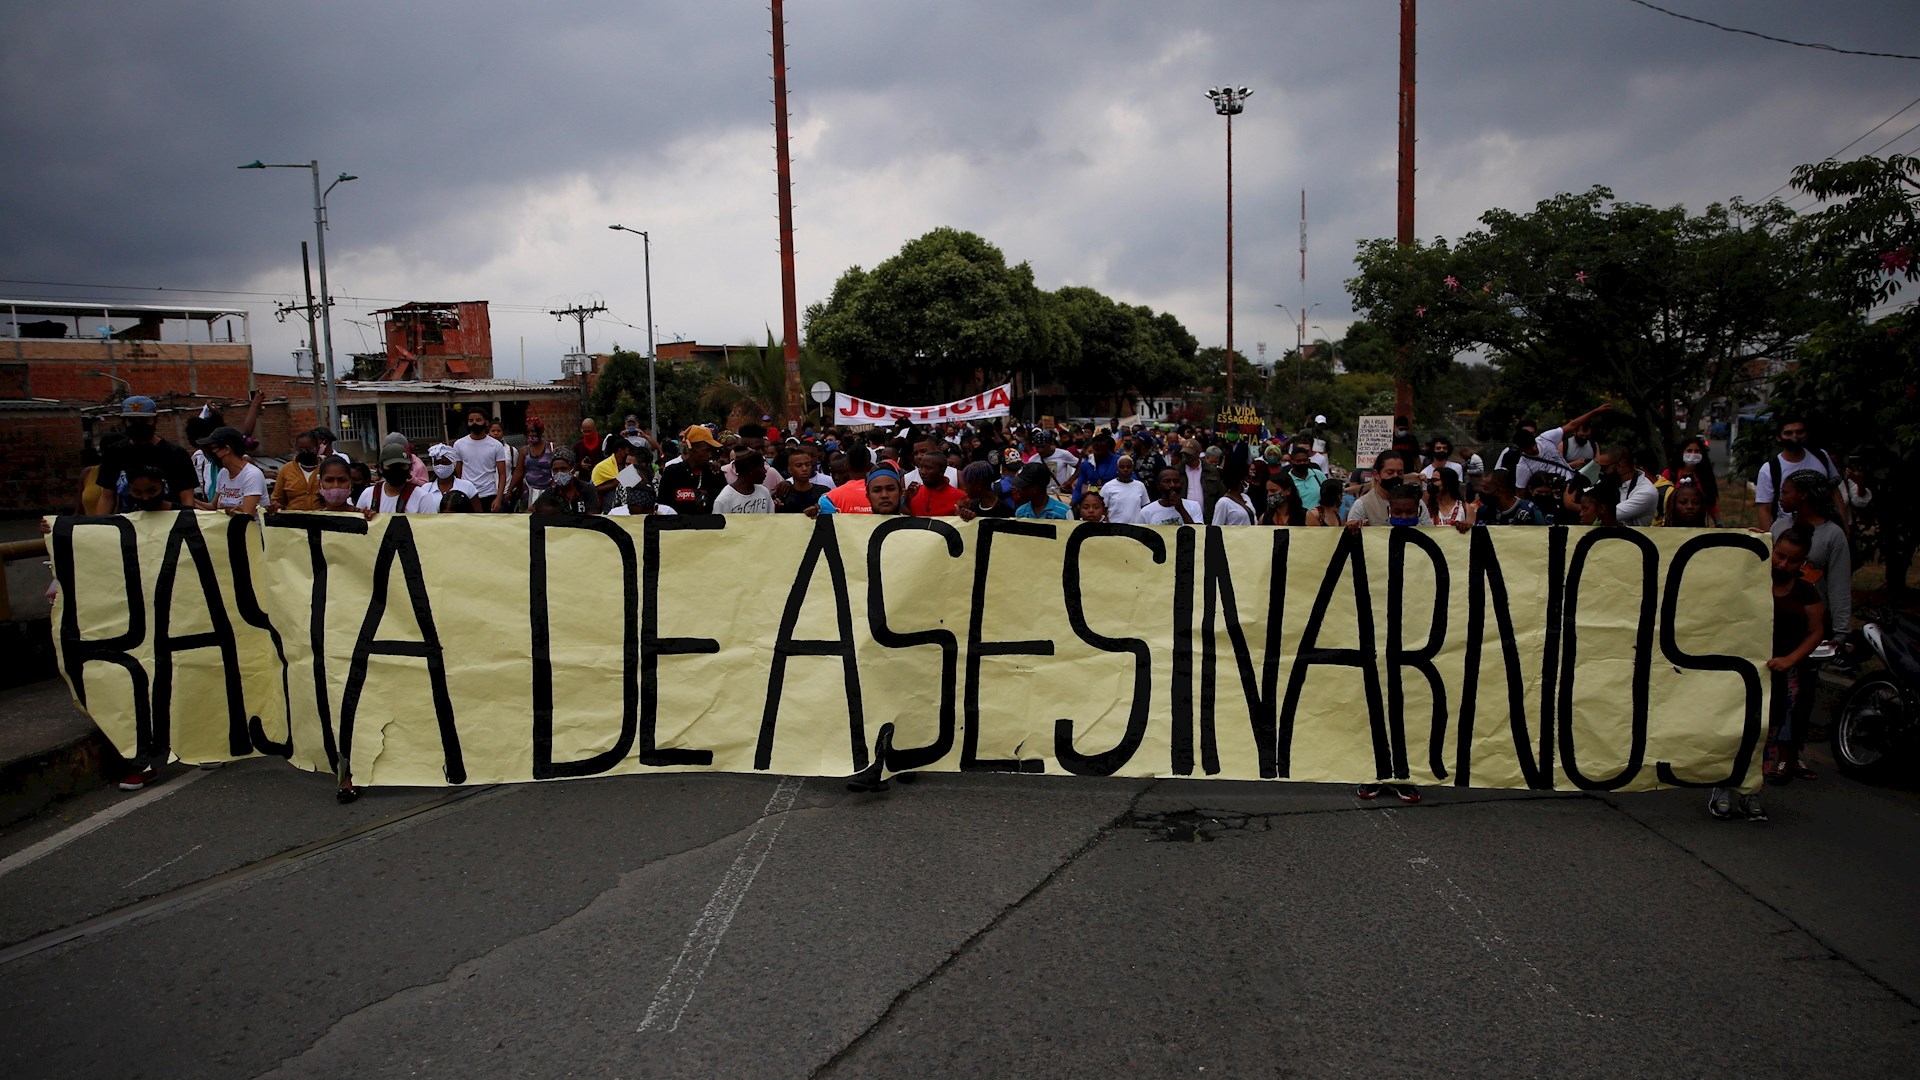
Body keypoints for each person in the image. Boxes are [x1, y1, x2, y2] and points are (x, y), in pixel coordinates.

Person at [1710, 527, 1824, 820]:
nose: (1783, 564)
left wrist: (1790, 659)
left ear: (1803, 563)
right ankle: (1722, 788)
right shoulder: (1751, 580)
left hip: (1779, 677)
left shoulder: (1806, 593)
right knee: (1735, 732)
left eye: (1792, 560)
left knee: (1767, 736)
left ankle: (1752, 792)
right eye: (1779, 555)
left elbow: (1815, 632)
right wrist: (1748, 539)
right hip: (1741, 673)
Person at [92, 395, 200, 514]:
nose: (138, 426)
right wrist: (99, 523)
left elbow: (187, 497)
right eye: (132, 421)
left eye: (144, 420)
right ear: (124, 422)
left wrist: (187, 520)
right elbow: (107, 496)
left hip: (169, 520)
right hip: (130, 521)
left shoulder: (176, 454)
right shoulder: (114, 453)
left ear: (155, 421)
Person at [1754, 416, 1841, 531]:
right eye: (1788, 433)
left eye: (1799, 432)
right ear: (1779, 437)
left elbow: (1835, 493)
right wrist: (1769, 538)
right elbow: (1764, 508)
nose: (1794, 437)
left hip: (1825, 528)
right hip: (1789, 532)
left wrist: (1844, 527)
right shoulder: (1770, 469)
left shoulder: (1821, 457)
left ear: (1806, 434)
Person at [1346, 450, 1431, 527]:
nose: (1395, 476)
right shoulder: (1363, 504)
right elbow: (1350, 533)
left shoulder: (1416, 501)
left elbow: (1428, 530)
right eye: (1390, 472)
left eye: (1400, 473)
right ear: (1376, 474)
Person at [658, 425, 728, 515]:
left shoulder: (714, 473)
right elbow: (663, 507)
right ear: (692, 449)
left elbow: (722, 506)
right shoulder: (672, 472)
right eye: (706, 450)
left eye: (711, 451)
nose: (710, 455)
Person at [196, 426, 265, 516]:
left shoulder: (252, 475)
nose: (211, 453)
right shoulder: (223, 473)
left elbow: (247, 515)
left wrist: (226, 510)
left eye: (213, 448)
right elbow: (213, 506)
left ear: (227, 449)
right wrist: (190, 501)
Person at [451, 408, 510, 511]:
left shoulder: (496, 445)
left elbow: (502, 474)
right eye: (471, 421)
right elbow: (458, 472)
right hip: (467, 495)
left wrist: (499, 498)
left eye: (478, 420)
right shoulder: (459, 444)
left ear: (486, 422)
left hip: (489, 494)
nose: (474, 423)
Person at [1594, 444, 1659, 527]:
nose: (1601, 472)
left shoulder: (1646, 491)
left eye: (1604, 468)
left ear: (1620, 466)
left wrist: (1579, 507)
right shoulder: (1611, 482)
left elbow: (1608, 515)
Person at [356, 442, 430, 513]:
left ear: (410, 467)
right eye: (391, 466)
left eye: (402, 466)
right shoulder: (368, 494)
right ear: (380, 468)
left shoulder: (422, 498)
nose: (397, 470)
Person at [1661, 437, 1720, 525]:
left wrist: (1718, 522)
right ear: (1682, 453)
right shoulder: (1670, 473)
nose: (1693, 454)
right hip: (1672, 524)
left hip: (1698, 524)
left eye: (1697, 451)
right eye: (1689, 451)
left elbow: (1711, 503)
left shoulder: (1705, 476)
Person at [506, 417, 556, 511]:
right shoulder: (524, 451)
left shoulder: (551, 448)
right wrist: (510, 490)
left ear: (540, 431)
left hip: (548, 492)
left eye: (533, 431)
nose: (530, 434)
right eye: (528, 432)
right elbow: (518, 473)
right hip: (529, 492)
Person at [414, 443, 480, 513]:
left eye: (444, 463)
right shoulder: (426, 489)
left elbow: (478, 513)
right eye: (437, 463)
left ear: (453, 464)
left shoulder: (467, 486)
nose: (440, 466)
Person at [270, 430, 325, 511]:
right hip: (293, 517)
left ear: (317, 449)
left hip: (322, 515)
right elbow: (278, 498)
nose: (305, 453)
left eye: (309, 449)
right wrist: (275, 505)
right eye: (301, 450)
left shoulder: (326, 467)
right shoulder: (286, 469)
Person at [905, 444, 965, 516]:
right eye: (921, 467)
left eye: (928, 468)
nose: (922, 472)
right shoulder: (914, 493)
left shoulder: (960, 497)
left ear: (941, 470)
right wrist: (907, 501)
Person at [1477, 469, 1547, 526]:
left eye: (1485, 489)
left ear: (1500, 490)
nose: (1482, 492)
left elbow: (1543, 536)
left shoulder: (1529, 511)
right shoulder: (1483, 511)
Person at [540, 448, 600, 514]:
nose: (559, 473)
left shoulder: (587, 489)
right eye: (555, 470)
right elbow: (532, 511)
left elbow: (592, 515)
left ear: (573, 469)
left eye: (563, 469)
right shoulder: (551, 493)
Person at [1138, 467, 1203, 525]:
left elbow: (1198, 532)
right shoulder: (1146, 511)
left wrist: (1181, 509)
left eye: (1176, 481)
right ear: (1158, 485)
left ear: (1181, 484)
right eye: (1167, 481)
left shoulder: (1193, 506)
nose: (1172, 485)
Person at [777, 446, 833, 514]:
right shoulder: (784, 493)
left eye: (808, 465)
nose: (804, 469)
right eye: (798, 465)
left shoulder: (823, 492)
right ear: (790, 470)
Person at [1097, 455, 1150, 525]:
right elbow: (1102, 510)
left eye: (1128, 467)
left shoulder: (1140, 486)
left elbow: (1145, 508)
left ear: (1133, 469)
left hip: (1136, 527)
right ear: (1117, 469)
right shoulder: (1108, 486)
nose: (1125, 469)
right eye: (1122, 467)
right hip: (1115, 528)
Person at [1073, 433, 1120, 505]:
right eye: (1095, 449)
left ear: (1108, 449)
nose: (1097, 452)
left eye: (1101, 449)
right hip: (1093, 503)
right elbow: (1079, 488)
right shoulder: (1086, 464)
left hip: (1114, 501)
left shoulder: (1119, 462)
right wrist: (1074, 502)